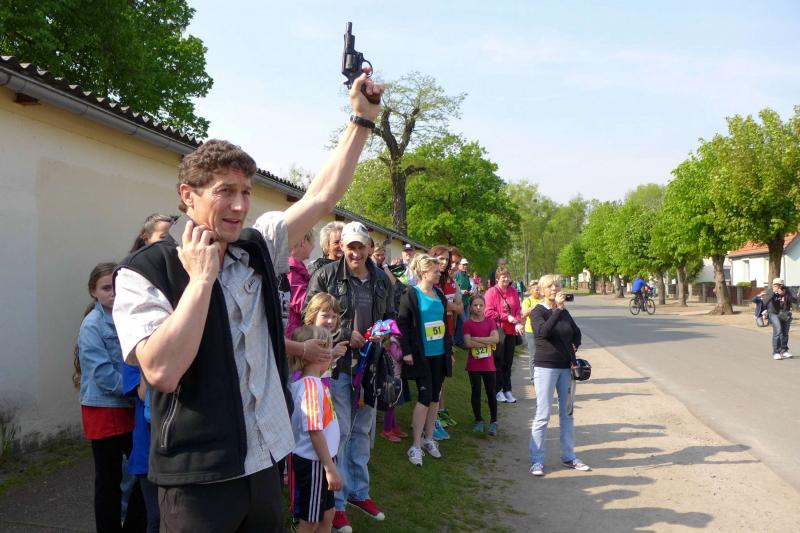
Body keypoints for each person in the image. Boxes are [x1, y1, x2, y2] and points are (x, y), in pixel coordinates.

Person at [112, 71, 384, 531]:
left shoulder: (257, 247)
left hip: (264, 460)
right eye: (225, 192)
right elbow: (162, 371)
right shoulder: (145, 271)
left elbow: (322, 196)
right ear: (187, 196)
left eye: (245, 192)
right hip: (199, 477)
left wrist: (361, 120)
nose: (240, 206)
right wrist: (201, 280)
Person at [304, 220, 393, 532]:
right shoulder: (326, 275)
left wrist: (384, 333)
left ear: (369, 248)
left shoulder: (381, 279)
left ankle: (359, 492)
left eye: (361, 246)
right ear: (342, 247)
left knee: (362, 430)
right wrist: (344, 333)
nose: (356, 252)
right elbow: (309, 316)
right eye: (351, 246)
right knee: (340, 432)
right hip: (337, 364)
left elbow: (390, 316)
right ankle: (338, 503)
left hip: (371, 366)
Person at [74, 262, 145, 532]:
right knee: (109, 479)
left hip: (128, 404)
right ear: (93, 291)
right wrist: (136, 390)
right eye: (106, 288)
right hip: (105, 409)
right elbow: (102, 373)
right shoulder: (92, 325)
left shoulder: (128, 317)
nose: (113, 293)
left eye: (116, 286)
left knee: (142, 472)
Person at [528, 274, 590, 477]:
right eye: (550, 286)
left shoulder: (564, 312)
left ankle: (569, 456)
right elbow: (543, 332)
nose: (554, 289)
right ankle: (537, 460)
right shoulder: (538, 311)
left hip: (565, 368)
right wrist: (557, 310)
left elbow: (576, 333)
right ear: (542, 290)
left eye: (556, 285)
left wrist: (575, 345)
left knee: (567, 414)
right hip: (545, 367)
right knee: (543, 414)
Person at [397, 254, 453, 466]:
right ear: (423, 272)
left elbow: (444, 324)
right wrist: (406, 351)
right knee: (424, 396)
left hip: (439, 353)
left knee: (435, 396)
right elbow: (402, 323)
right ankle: (415, 445)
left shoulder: (439, 294)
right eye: (435, 271)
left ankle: (429, 438)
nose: (439, 274)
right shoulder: (411, 294)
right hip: (421, 355)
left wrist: (449, 351)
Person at [288, 326, 342, 533]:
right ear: (318, 356)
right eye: (328, 349)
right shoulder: (311, 387)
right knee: (310, 521)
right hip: (315, 463)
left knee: (328, 514)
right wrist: (329, 468)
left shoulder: (314, 383)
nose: (331, 354)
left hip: (322, 460)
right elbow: (315, 431)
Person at [429, 245, 463, 435]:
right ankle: (431, 421)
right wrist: (451, 306)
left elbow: (459, 307)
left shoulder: (449, 280)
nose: (446, 264)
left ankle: (437, 416)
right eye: (441, 259)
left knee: (442, 376)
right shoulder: (432, 280)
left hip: (446, 332)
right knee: (434, 379)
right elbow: (442, 305)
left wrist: (452, 306)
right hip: (434, 334)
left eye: (447, 260)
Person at [484, 265, 523, 404]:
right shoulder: (491, 292)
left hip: (511, 331)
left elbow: (518, 309)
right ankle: (498, 390)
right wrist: (507, 317)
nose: (506, 279)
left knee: (508, 361)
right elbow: (488, 312)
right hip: (498, 331)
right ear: (497, 279)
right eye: (503, 277)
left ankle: (507, 389)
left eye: (507, 276)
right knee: (498, 360)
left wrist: (517, 322)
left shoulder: (513, 291)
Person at [462, 294, 500, 435]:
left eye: (481, 305)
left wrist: (477, 339)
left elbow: (496, 339)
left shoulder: (490, 322)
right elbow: (467, 343)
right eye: (475, 305)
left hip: (488, 364)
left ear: (485, 306)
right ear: (470, 307)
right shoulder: (467, 324)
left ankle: (494, 421)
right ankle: (478, 420)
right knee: (476, 392)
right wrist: (486, 341)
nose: (478, 308)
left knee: (491, 392)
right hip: (474, 365)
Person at [285, 229, 315, 338]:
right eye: (312, 242)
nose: (314, 246)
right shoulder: (291, 270)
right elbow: (301, 303)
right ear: (303, 241)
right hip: (292, 331)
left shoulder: (297, 268)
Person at [765, 278, 796, 360]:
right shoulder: (770, 291)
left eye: (780, 285)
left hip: (785, 313)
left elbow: (795, 301)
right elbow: (765, 302)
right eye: (776, 285)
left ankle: (784, 351)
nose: (778, 287)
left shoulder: (787, 291)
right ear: (773, 285)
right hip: (774, 313)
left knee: (785, 333)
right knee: (778, 330)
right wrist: (773, 293)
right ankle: (776, 352)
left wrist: (785, 294)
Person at [521, 281, 543, 374]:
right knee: (534, 355)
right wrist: (536, 305)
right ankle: (533, 378)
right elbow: (524, 314)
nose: (539, 291)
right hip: (531, 331)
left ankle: (541, 375)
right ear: (531, 290)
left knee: (543, 355)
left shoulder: (543, 299)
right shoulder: (527, 301)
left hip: (542, 331)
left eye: (540, 289)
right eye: (536, 289)